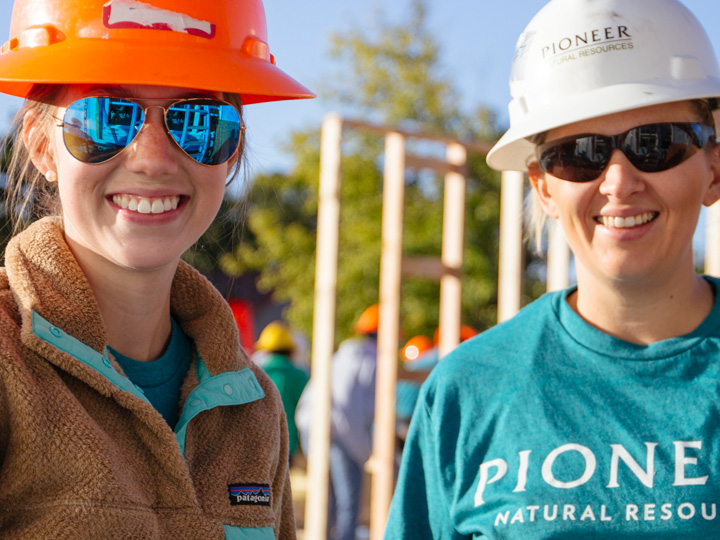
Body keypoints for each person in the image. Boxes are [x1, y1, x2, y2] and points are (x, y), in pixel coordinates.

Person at [385, 0, 720, 538]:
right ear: (543, 186)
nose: (618, 182)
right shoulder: (468, 390)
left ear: (714, 168)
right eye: (580, 154)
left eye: (655, 145)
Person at [0, 0, 313, 538]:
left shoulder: (255, 410)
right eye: (107, 117)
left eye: (198, 122)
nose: (152, 159)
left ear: (232, 151)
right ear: (42, 147)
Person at [296, 304, 379, 540]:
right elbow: (351, 413)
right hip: (339, 431)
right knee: (348, 499)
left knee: (325, 497)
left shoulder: (341, 356)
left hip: (314, 426)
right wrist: (364, 451)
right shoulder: (372, 361)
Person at [256, 321, 309, 461]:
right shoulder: (300, 376)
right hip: (288, 442)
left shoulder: (255, 373)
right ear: (290, 350)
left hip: (258, 440)